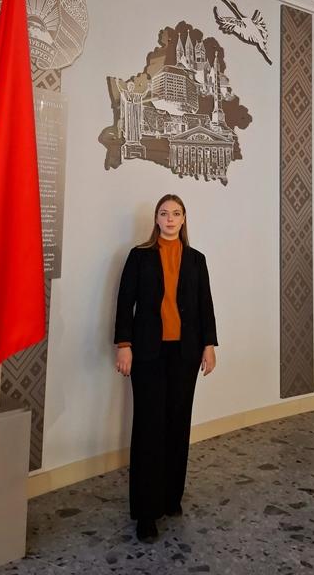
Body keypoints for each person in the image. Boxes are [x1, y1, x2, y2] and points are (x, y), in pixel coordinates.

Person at [115, 194, 218, 542]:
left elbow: (205, 305)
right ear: (156, 219)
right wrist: (124, 345)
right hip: (147, 353)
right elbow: (125, 302)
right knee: (149, 429)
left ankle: (171, 497)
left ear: (184, 219)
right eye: (164, 213)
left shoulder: (196, 260)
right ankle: (146, 513)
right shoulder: (139, 256)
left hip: (185, 354)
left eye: (176, 213)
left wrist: (209, 346)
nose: (170, 219)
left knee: (177, 424)